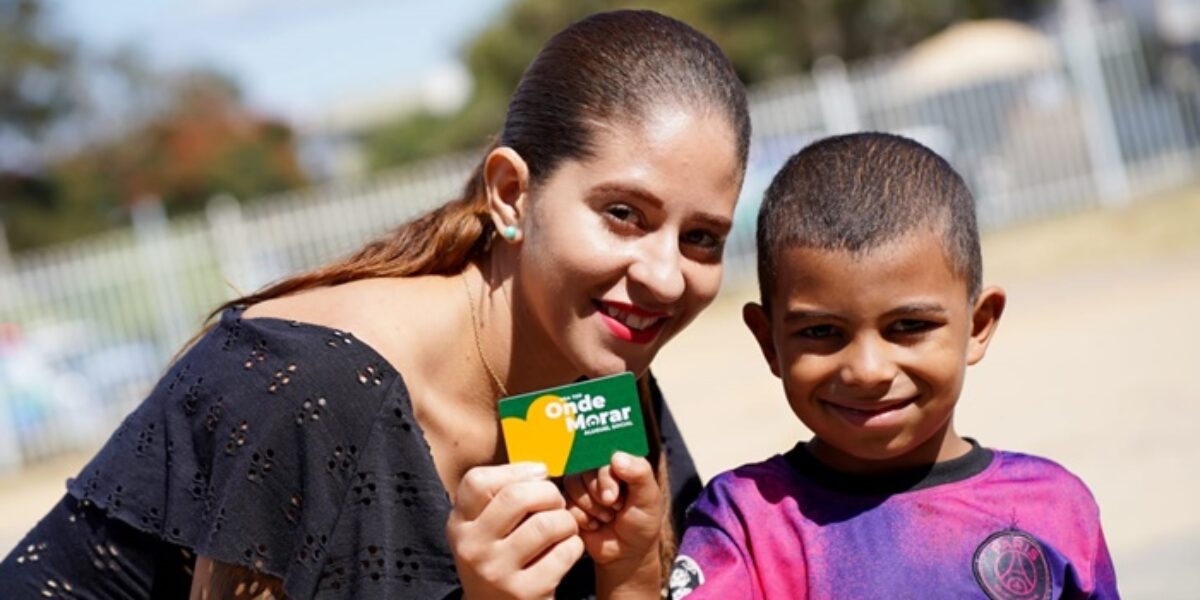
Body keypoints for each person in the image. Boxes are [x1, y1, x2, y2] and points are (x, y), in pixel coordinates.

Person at [0, 10, 750, 599]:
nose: (664, 276)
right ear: (512, 194)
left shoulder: (604, 378)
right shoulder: (309, 391)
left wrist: (632, 580)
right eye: (623, 213)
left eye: (703, 238)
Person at [668, 133, 1119, 599]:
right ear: (769, 342)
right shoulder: (748, 521)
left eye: (908, 326)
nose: (868, 370)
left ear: (978, 325)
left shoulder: (1052, 507)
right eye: (822, 332)